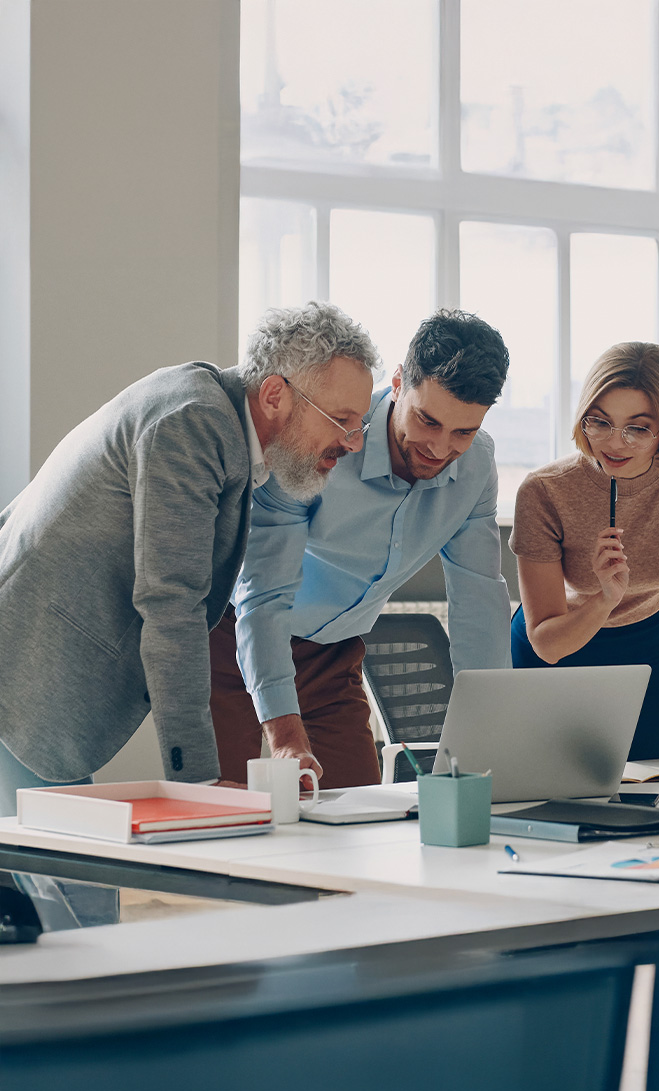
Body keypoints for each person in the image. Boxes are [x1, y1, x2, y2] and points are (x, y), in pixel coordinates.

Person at [0, 302, 378, 815]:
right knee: (69, 880)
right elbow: (173, 606)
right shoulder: (193, 425)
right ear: (273, 394)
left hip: (32, 664)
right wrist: (198, 782)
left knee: (53, 881)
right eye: (342, 421)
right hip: (21, 666)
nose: (352, 443)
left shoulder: (212, 411)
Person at [210, 309, 513, 789]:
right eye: (427, 420)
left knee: (358, 827)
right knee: (227, 822)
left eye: (463, 432)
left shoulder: (476, 468)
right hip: (235, 645)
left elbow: (479, 599)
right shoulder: (316, 441)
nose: (439, 447)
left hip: (332, 659)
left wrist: (489, 732)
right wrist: (285, 733)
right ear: (397, 383)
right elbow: (263, 595)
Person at [509, 341, 659, 776]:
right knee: (555, 788)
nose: (615, 442)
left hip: (646, 642)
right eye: (600, 422)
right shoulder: (543, 491)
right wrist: (603, 599)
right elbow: (547, 644)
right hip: (560, 641)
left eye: (638, 428)